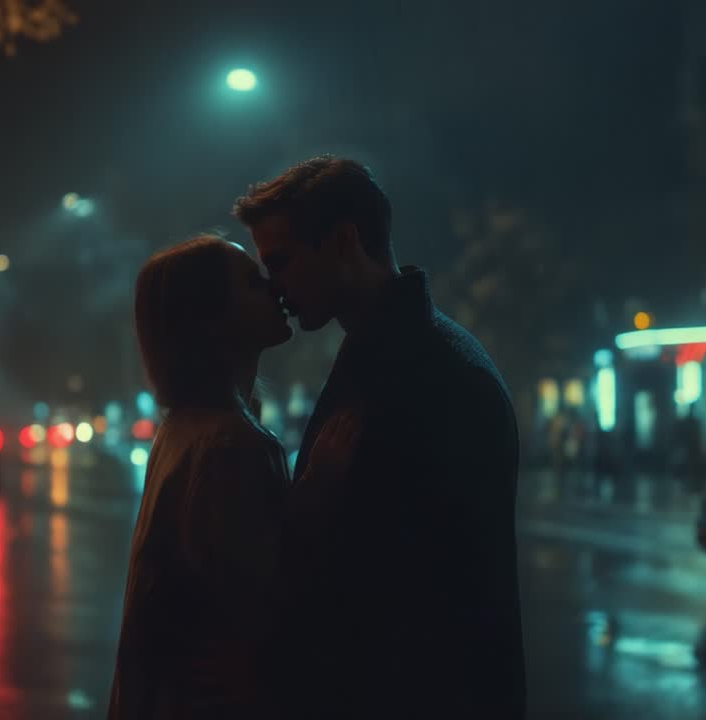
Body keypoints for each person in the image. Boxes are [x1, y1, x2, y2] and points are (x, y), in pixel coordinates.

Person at [235, 155, 525, 719]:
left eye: (282, 262)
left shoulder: (427, 372)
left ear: (344, 241)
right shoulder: (393, 353)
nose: (276, 289)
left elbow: (399, 598)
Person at [108, 235, 356, 719]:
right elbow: (265, 598)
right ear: (211, 320)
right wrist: (318, 491)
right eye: (252, 282)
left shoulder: (185, 427)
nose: (276, 290)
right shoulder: (230, 443)